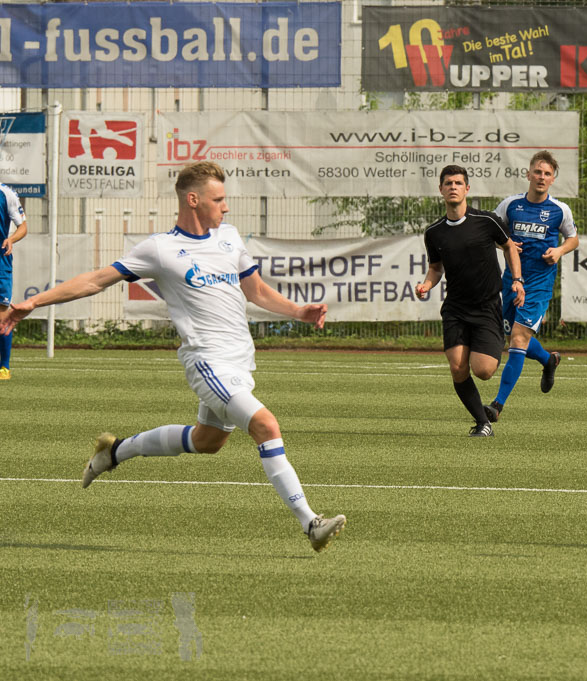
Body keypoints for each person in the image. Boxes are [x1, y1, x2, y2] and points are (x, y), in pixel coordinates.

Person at [0, 161, 346, 552]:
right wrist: (33, 301)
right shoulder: (161, 249)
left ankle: (114, 451)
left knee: (207, 440)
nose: (225, 208)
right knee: (265, 425)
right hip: (207, 362)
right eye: (219, 200)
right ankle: (310, 523)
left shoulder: (229, 238)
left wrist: (299, 311)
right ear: (193, 200)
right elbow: (96, 280)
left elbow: (258, 292)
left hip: (239, 362)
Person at [415, 165, 524, 437]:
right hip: (455, 308)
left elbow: (509, 245)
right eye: (448, 183)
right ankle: (482, 422)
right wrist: (427, 284)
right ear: (441, 190)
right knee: (457, 367)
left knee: (484, 370)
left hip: (487, 306)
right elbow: (436, 267)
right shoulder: (434, 232)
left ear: (467, 189)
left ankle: (492, 352)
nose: (453, 186)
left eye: (458, 182)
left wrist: (517, 280)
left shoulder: (486, 221)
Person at [484, 151, 579, 423]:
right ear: (528, 174)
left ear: (553, 179)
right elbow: (489, 235)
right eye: (537, 172)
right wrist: (506, 244)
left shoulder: (560, 210)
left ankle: (497, 405)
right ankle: (548, 360)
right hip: (511, 281)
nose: (541, 177)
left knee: (517, 339)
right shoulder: (510, 206)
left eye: (547, 173)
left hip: (538, 285)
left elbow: (573, 239)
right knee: (513, 334)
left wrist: (559, 251)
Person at [0, 182, 28, 380]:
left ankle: (4, 367)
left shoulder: (6, 193)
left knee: (2, 315)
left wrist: (11, 239)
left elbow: (23, 227)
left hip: (0, 262)